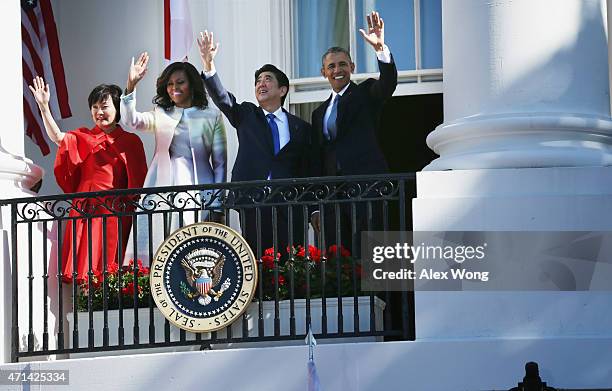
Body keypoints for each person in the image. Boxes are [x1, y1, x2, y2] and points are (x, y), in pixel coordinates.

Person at [197, 31, 312, 256]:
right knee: (257, 260)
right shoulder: (247, 114)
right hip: (253, 201)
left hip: (290, 204)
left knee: (292, 263)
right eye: (258, 81)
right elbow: (222, 99)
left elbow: (308, 167)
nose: (261, 84)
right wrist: (209, 64)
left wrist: (312, 209)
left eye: (268, 79)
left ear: (283, 90)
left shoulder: (301, 127)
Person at [28, 77, 147, 282]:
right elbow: (58, 137)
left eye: (104, 106)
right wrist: (44, 107)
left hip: (117, 209)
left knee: (114, 262)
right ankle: (87, 303)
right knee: (85, 265)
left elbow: (140, 181)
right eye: (94, 107)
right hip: (87, 208)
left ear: (117, 108)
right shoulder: (83, 136)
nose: (99, 112)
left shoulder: (131, 141)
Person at [120, 54, 227, 264]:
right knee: (158, 248)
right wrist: (131, 85)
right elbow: (131, 121)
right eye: (169, 84)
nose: (174, 87)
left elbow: (220, 163)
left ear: (192, 85)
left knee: (195, 254)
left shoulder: (211, 116)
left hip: (199, 192)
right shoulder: (160, 113)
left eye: (180, 82)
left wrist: (217, 205)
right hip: (160, 191)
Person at [310, 11, 398, 252]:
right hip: (332, 195)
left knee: (369, 249)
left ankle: (376, 292)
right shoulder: (318, 114)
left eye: (342, 64)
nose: (337, 70)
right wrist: (316, 205)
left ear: (352, 67)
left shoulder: (366, 93)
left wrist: (381, 49)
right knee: (338, 254)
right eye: (331, 66)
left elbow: (387, 83)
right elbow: (319, 157)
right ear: (323, 72)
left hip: (366, 186)